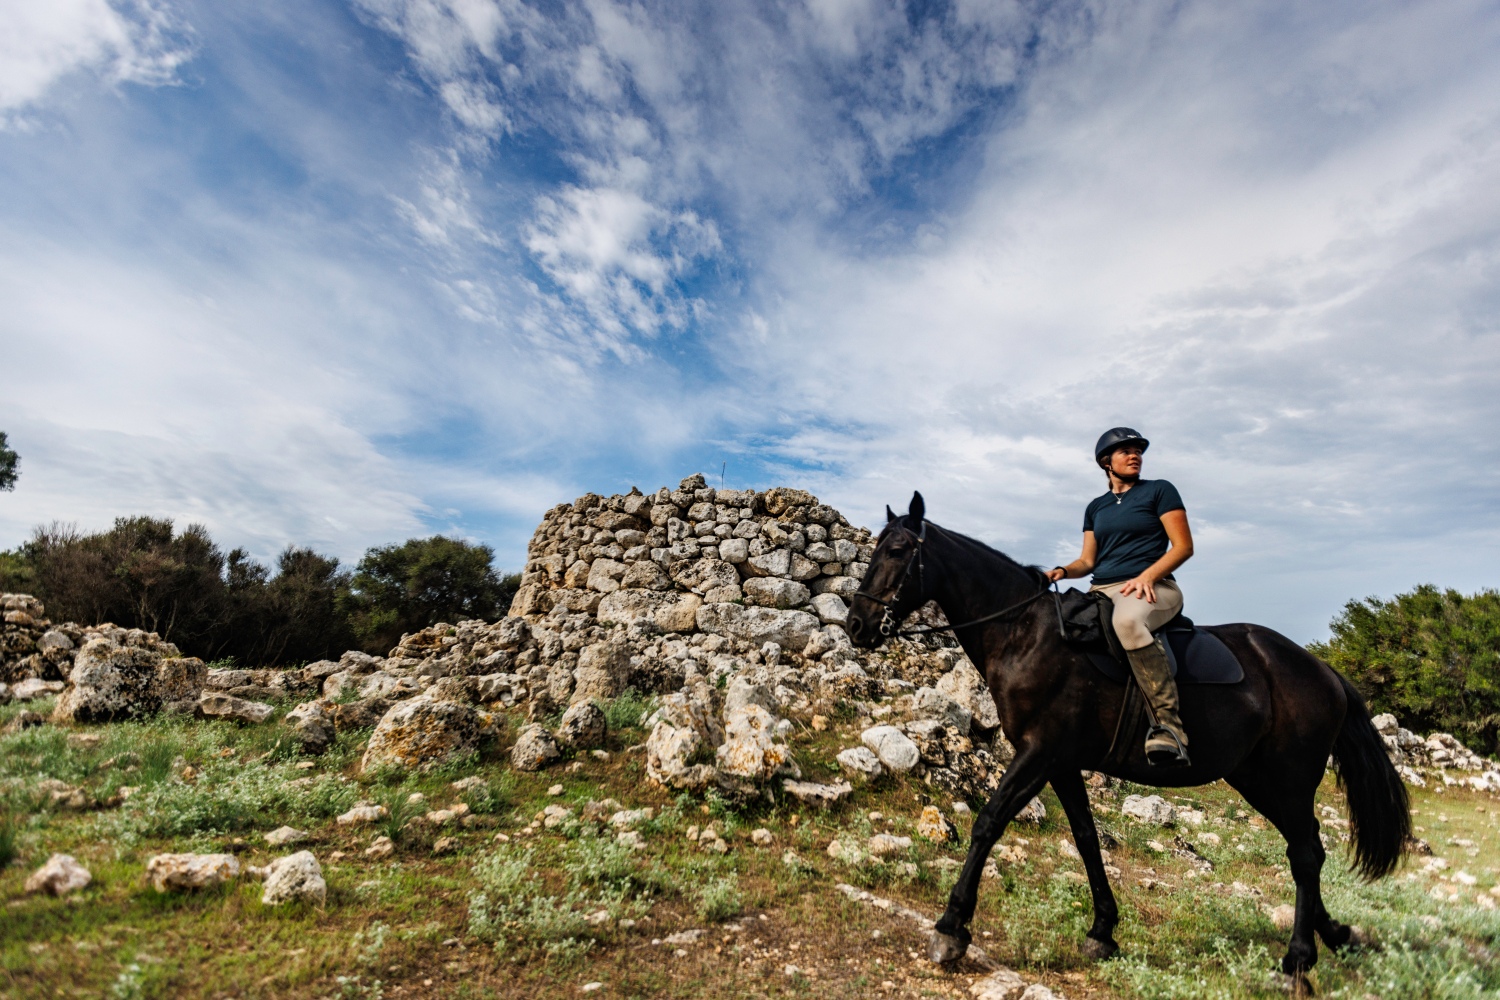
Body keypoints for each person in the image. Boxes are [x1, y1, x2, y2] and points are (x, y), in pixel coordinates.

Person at [1046, 428, 1195, 766]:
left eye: (1138, 450)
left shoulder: (1159, 490)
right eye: (1125, 451)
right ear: (1106, 463)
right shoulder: (1095, 507)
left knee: (1127, 622)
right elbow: (1087, 561)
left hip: (1153, 586)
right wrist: (1061, 571)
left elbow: (1183, 547)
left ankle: (1169, 727)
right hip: (1102, 589)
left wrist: (1147, 576)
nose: (1135, 455)